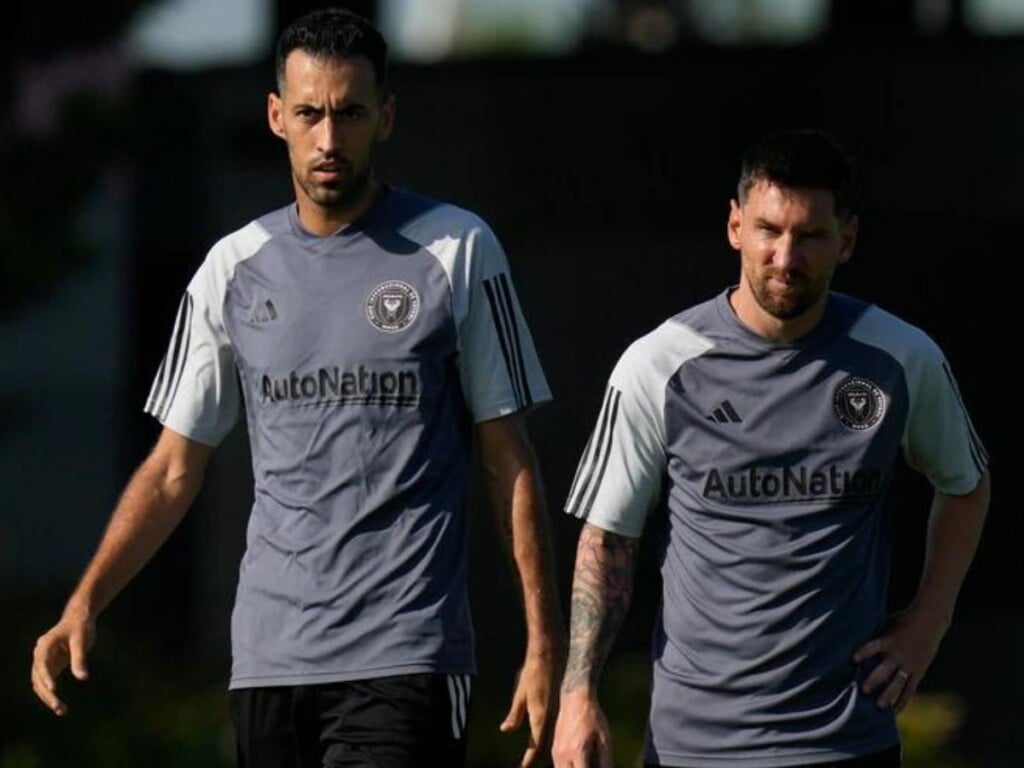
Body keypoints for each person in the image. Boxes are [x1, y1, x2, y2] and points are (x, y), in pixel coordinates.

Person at [31, 8, 564, 768]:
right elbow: (174, 467)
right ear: (277, 116)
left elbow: (508, 458)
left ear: (385, 117)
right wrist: (84, 602)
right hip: (269, 661)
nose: (328, 138)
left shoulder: (458, 248)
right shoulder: (232, 267)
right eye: (309, 113)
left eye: (349, 113)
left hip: (405, 655)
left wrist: (545, 648)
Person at [550, 128, 991, 768]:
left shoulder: (900, 357)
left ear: (848, 240)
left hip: (846, 742)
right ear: (734, 227)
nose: (785, 258)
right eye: (768, 230)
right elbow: (608, 539)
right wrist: (576, 694)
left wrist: (930, 619)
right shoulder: (659, 363)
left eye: (810, 236)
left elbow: (967, 483)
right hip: (695, 746)